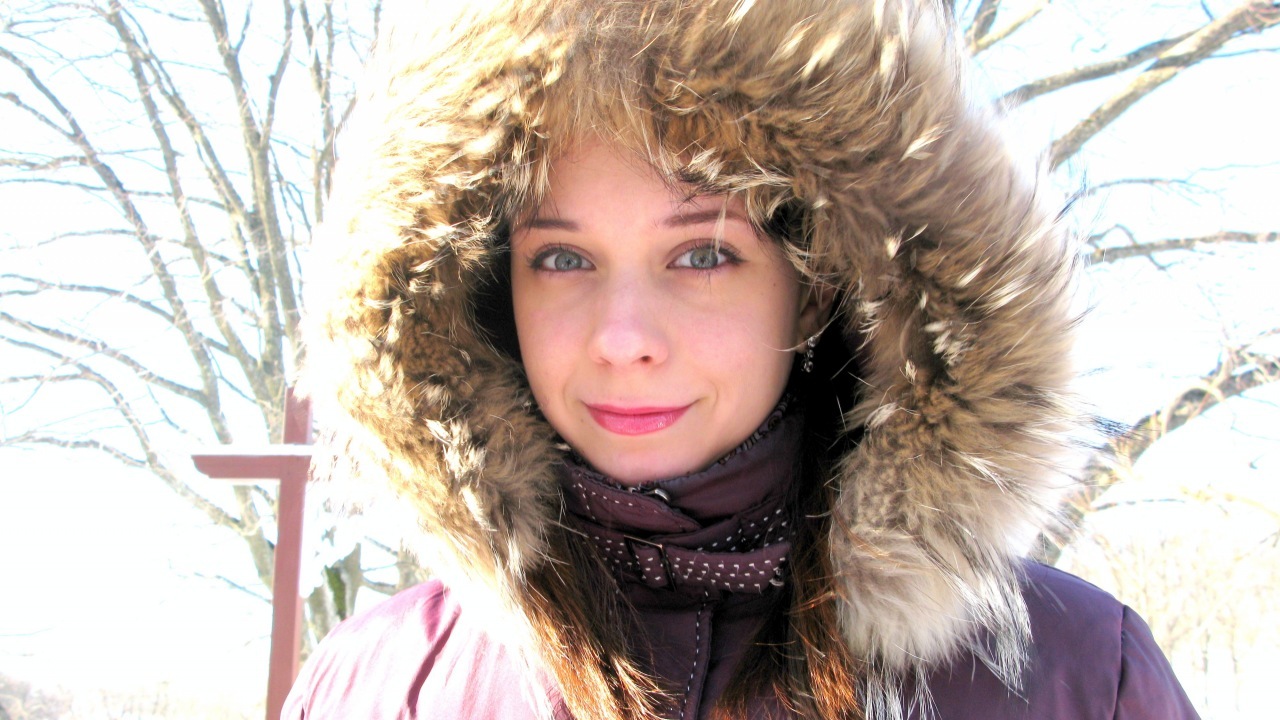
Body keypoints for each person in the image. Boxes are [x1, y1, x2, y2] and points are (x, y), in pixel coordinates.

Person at [286, 1, 1199, 718]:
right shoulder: (378, 686)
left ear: (816, 284)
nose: (622, 338)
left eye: (702, 255)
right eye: (562, 259)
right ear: (487, 286)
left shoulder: (1078, 678)